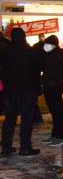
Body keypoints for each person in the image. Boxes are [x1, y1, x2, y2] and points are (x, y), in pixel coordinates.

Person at [1, 28, 42, 156]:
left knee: (9, 119)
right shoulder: (29, 51)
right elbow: (37, 68)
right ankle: (25, 147)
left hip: (9, 91)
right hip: (27, 91)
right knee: (26, 119)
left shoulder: (5, 52)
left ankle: (6, 147)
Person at [41, 35, 63, 145]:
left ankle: (60, 135)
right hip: (49, 86)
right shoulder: (48, 54)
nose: (46, 46)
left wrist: (54, 81)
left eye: (48, 44)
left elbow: (60, 71)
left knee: (58, 111)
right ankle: (55, 134)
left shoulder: (58, 54)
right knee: (54, 111)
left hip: (54, 87)